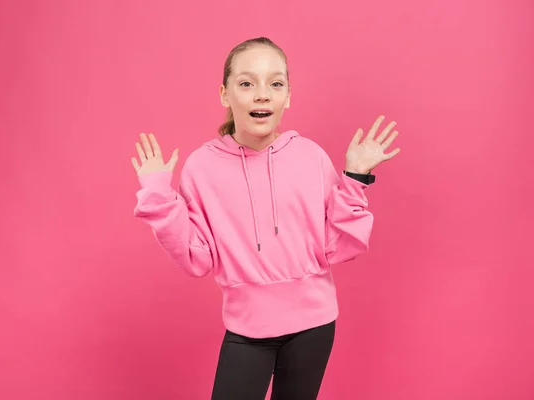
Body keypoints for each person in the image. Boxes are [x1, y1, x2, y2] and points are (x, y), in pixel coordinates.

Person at [131, 37, 400, 400]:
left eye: (275, 83)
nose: (262, 94)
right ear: (225, 94)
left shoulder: (310, 157)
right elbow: (197, 259)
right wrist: (161, 200)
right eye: (246, 83)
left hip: (314, 325)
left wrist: (354, 178)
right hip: (247, 329)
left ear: (287, 96)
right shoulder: (201, 168)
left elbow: (338, 247)